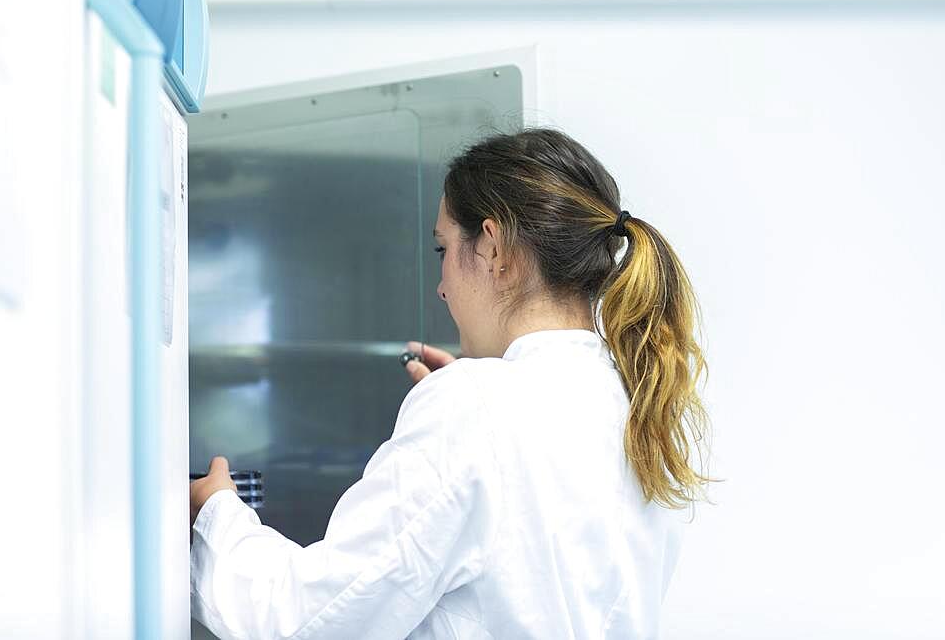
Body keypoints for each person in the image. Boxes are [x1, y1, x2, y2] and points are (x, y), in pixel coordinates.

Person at [189, 127, 715, 639]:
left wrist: (215, 514)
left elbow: (306, 620)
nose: (441, 288)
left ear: (494, 248)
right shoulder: (632, 398)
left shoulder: (476, 407)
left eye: (443, 250)